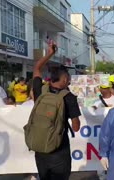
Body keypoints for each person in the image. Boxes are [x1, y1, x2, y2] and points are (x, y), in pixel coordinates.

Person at [32, 41, 81, 180]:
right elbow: (76, 127)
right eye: (69, 79)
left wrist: (50, 53)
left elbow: (37, 68)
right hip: (60, 150)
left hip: (40, 149)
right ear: (65, 79)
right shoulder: (69, 97)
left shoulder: (40, 90)